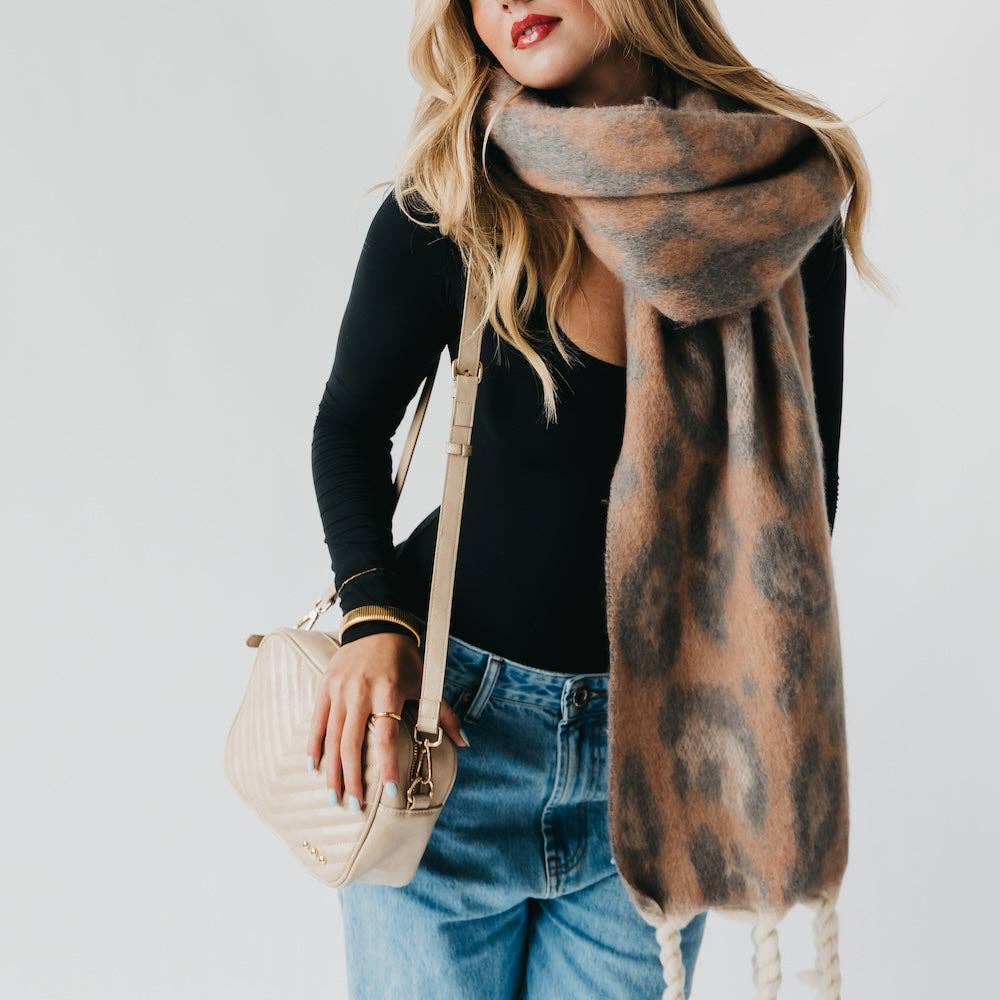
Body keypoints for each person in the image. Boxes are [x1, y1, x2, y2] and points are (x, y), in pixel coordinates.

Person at [307, 3, 875, 997]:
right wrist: (371, 616)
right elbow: (348, 428)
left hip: (658, 759)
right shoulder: (462, 198)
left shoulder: (776, 198)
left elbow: (797, 509)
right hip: (447, 747)